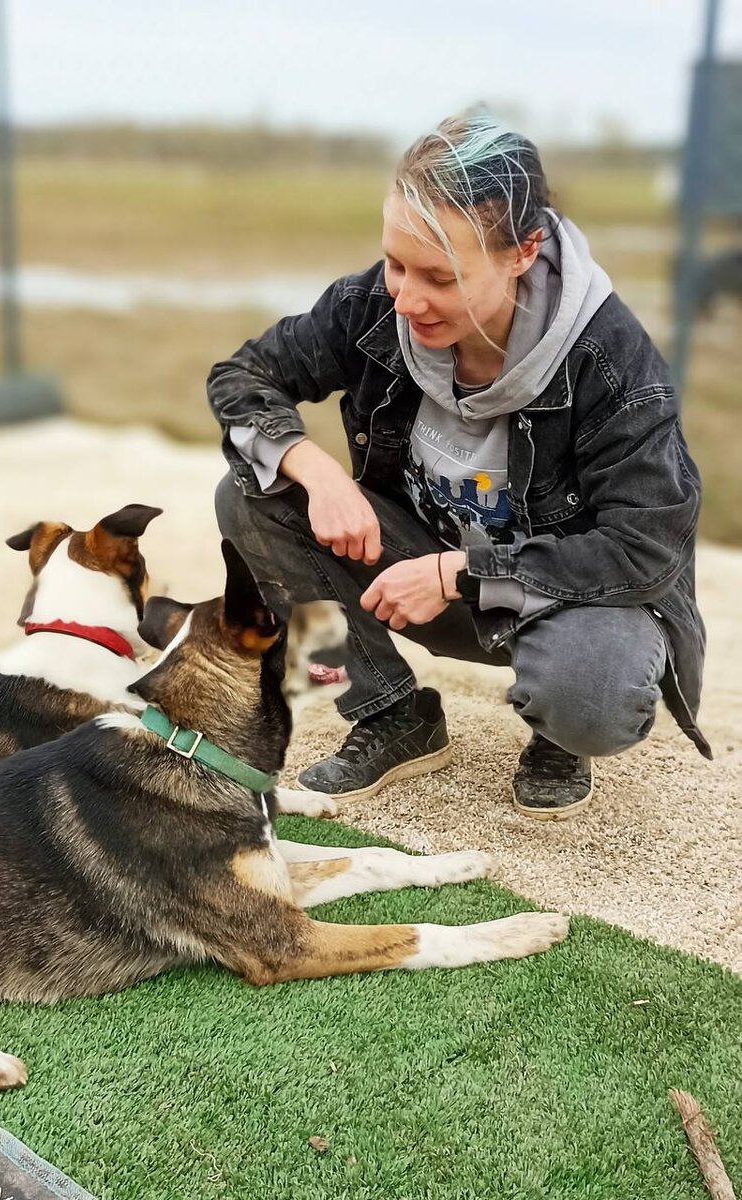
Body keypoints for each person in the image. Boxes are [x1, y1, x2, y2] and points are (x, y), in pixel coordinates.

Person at [208, 114, 710, 820]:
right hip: (414, 569)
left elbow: (644, 549)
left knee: (593, 697)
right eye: (396, 263)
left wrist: (454, 574)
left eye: (440, 277)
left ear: (524, 252)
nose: (407, 299)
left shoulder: (612, 364)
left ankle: (559, 734)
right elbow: (242, 377)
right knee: (252, 491)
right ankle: (391, 715)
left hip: (552, 600)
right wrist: (313, 469)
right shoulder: (377, 305)